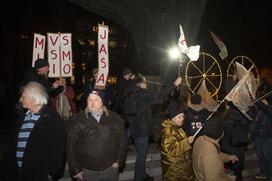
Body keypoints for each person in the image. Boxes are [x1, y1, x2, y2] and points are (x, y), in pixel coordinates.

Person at [3, 81, 66, 181]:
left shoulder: (52, 118)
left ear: (34, 100)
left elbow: (57, 149)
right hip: (18, 175)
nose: (20, 99)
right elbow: (13, 146)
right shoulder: (21, 118)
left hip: (39, 176)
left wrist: (49, 174)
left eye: (23, 97)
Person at [126, 76, 182, 181]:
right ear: (140, 83)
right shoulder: (142, 94)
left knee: (140, 154)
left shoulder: (130, 93)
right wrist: (174, 84)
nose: (146, 83)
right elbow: (159, 96)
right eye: (145, 82)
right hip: (142, 130)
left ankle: (143, 175)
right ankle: (138, 178)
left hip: (134, 128)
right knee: (141, 157)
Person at [66, 90, 126, 181]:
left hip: (110, 169)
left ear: (103, 102)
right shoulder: (78, 120)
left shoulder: (114, 118)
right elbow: (70, 146)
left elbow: (122, 140)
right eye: (90, 100)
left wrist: (118, 161)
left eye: (96, 100)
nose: (92, 103)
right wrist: (75, 170)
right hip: (87, 170)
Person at [160, 99, 195, 181]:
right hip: (175, 171)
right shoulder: (169, 131)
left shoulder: (176, 127)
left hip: (181, 168)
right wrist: (187, 142)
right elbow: (172, 150)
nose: (182, 119)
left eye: (183, 116)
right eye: (179, 117)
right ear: (172, 118)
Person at [251, 99, 272, 180]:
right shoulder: (258, 110)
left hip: (266, 138)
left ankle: (269, 174)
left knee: (268, 156)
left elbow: (266, 109)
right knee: (261, 156)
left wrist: (258, 101)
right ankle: (263, 173)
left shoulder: (269, 109)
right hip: (258, 137)